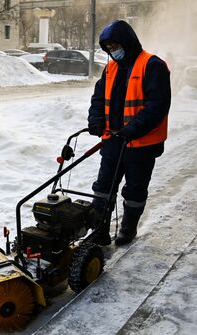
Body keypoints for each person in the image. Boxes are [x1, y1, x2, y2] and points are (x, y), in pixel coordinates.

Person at [87, 20, 171, 246]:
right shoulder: (111, 68)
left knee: (134, 191)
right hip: (113, 141)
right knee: (103, 188)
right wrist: (95, 119)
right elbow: (98, 98)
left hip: (141, 145)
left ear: (127, 41)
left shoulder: (152, 65)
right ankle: (100, 230)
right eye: (108, 49)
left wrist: (132, 130)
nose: (112, 52)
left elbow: (157, 105)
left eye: (115, 46)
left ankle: (128, 228)